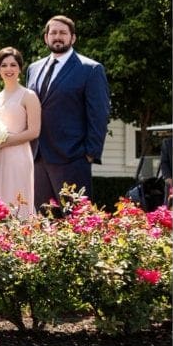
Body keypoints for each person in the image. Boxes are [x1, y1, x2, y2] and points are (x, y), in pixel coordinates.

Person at [26, 15, 109, 210]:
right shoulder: (33, 69)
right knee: (45, 223)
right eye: (53, 32)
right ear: (46, 37)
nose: (57, 37)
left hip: (72, 158)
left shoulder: (90, 69)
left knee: (76, 221)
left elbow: (99, 114)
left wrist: (89, 154)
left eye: (63, 33)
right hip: (38, 158)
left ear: (73, 38)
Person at [0, 47, 41, 218]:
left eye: (13, 65)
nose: (9, 69)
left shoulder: (29, 96)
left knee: (14, 199)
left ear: (20, 68)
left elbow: (34, 131)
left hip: (17, 156)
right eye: (4, 65)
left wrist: (5, 142)